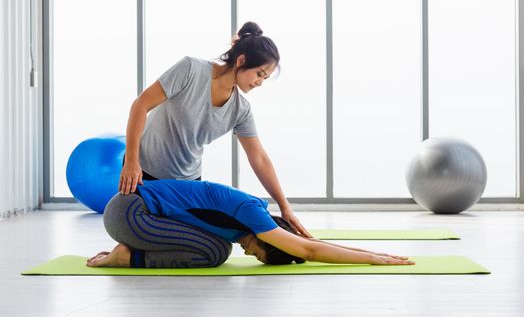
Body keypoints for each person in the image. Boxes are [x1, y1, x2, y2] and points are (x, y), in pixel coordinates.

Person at [119, 21, 310, 237]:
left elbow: (259, 158)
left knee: (214, 243)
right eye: (259, 74)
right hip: (144, 173)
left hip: (188, 184)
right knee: (141, 232)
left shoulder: (241, 109)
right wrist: (132, 162)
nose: (260, 83)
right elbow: (140, 105)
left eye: (265, 78)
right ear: (241, 61)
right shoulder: (190, 69)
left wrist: (285, 207)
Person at [87, 179, 415, 268]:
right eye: (259, 252)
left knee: (217, 249)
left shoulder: (244, 221)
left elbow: (314, 247)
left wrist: (370, 252)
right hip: (130, 213)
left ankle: (131, 253)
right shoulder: (251, 213)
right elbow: (311, 251)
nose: (249, 253)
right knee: (215, 254)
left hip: (136, 214)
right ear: (268, 238)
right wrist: (374, 258)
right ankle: (127, 258)